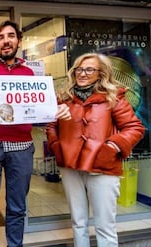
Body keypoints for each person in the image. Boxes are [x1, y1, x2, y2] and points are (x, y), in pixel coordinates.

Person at [0, 20, 71, 247]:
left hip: (21, 146)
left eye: (10, 36)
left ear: (18, 41)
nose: (6, 41)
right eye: (1, 37)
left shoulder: (29, 73)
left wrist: (55, 110)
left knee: (17, 208)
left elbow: (40, 108)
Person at [46, 53, 145, 247]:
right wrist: (58, 147)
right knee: (78, 223)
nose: (82, 74)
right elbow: (51, 126)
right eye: (79, 69)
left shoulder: (113, 97)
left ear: (101, 73)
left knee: (104, 226)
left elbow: (135, 128)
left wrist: (110, 148)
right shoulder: (64, 98)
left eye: (89, 69)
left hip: (103, 168)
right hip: (70, 167)